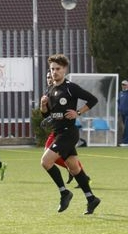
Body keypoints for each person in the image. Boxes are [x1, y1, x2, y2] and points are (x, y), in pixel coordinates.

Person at [39, 54, 100, 214]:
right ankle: (91, 198)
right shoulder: (50, 89)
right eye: (52, 69)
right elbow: (47, 116)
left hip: (68, 133)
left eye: (57, 69)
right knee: (74, 168)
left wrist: (78, 112)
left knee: (45, 162)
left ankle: (64, 192)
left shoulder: (70, 87)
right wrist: (43, 106)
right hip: (58, 132)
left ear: (64, 69)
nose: (54, 72)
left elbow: (92, 99)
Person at [42, 72, 90, 186]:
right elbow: (48, 112)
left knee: (47, 155)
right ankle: (81, 178)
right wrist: (46, 115)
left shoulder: (65, 89)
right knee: (68, 158)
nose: (49, 79)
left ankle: (76, 175)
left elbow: (64, 110)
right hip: (56, 129)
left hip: (65, 130)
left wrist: (77, 112)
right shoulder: (48, 92)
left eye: (51, 76)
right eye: (47, 77)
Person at [119, 79, 128, 146]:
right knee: (125, 127)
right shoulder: (121, 93)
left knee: (126, 127)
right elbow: (118, 102)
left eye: (124, 84)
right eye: (122, 84)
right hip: (122, 113)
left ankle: (125, 142)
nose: (123, 86)